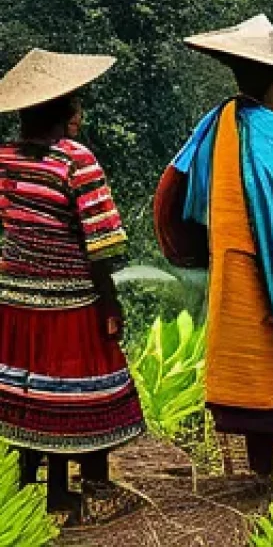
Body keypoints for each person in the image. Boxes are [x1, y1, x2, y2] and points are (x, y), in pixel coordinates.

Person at [153, 15, 273, 477]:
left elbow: (171, 190)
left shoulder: (213, 126)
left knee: (251, 364)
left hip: (234, 265)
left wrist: (196, 247)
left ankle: (260, 465)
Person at [0, 49, 144, 521]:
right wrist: (111, 301)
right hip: (71, 301)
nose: (80, 114)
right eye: (76, 105)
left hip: (16, 297)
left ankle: (25, 491)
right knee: (71, 395)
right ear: (61, 110)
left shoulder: (5, 159)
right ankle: (70, 497)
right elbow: (101, 244)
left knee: (26, 392)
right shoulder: (76, 161)